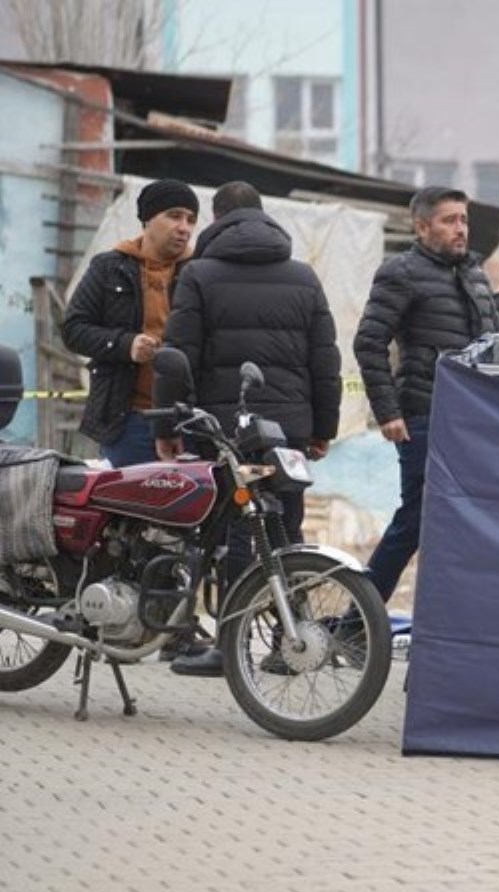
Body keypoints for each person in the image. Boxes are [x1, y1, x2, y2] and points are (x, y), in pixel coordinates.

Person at [158, 182, 342, 677]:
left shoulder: (198, 274)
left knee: (236, 535)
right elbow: (325, 360)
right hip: (290, 431)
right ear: (266, 217)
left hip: (223, 430)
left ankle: (228, 648)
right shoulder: (304, 278)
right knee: (287, 531)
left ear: (217, 219)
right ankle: (290, 644)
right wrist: (322, 427)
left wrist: (170, 423)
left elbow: (179, 354)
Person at [354, 186, 499, 603]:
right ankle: (355, 623)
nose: (461, 229)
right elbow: (368, 343)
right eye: (449, 220)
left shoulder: (475, 275)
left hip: (475, 420)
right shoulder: (400, 272)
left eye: (464, 220)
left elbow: (497, 346)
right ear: (422, 227)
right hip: (423, 415)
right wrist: (388, 411)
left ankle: (451, 622)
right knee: (416, 520)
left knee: (468, 521)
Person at [62, 179, 198, 467]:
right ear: (148, 219)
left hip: (189, 422)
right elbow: (73, 329)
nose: (184, 227)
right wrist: (127, 345)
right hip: (129, 419)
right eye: (174, 215)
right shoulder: (110, 267)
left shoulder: (199, 272)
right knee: (130, 509)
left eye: (190, 219)